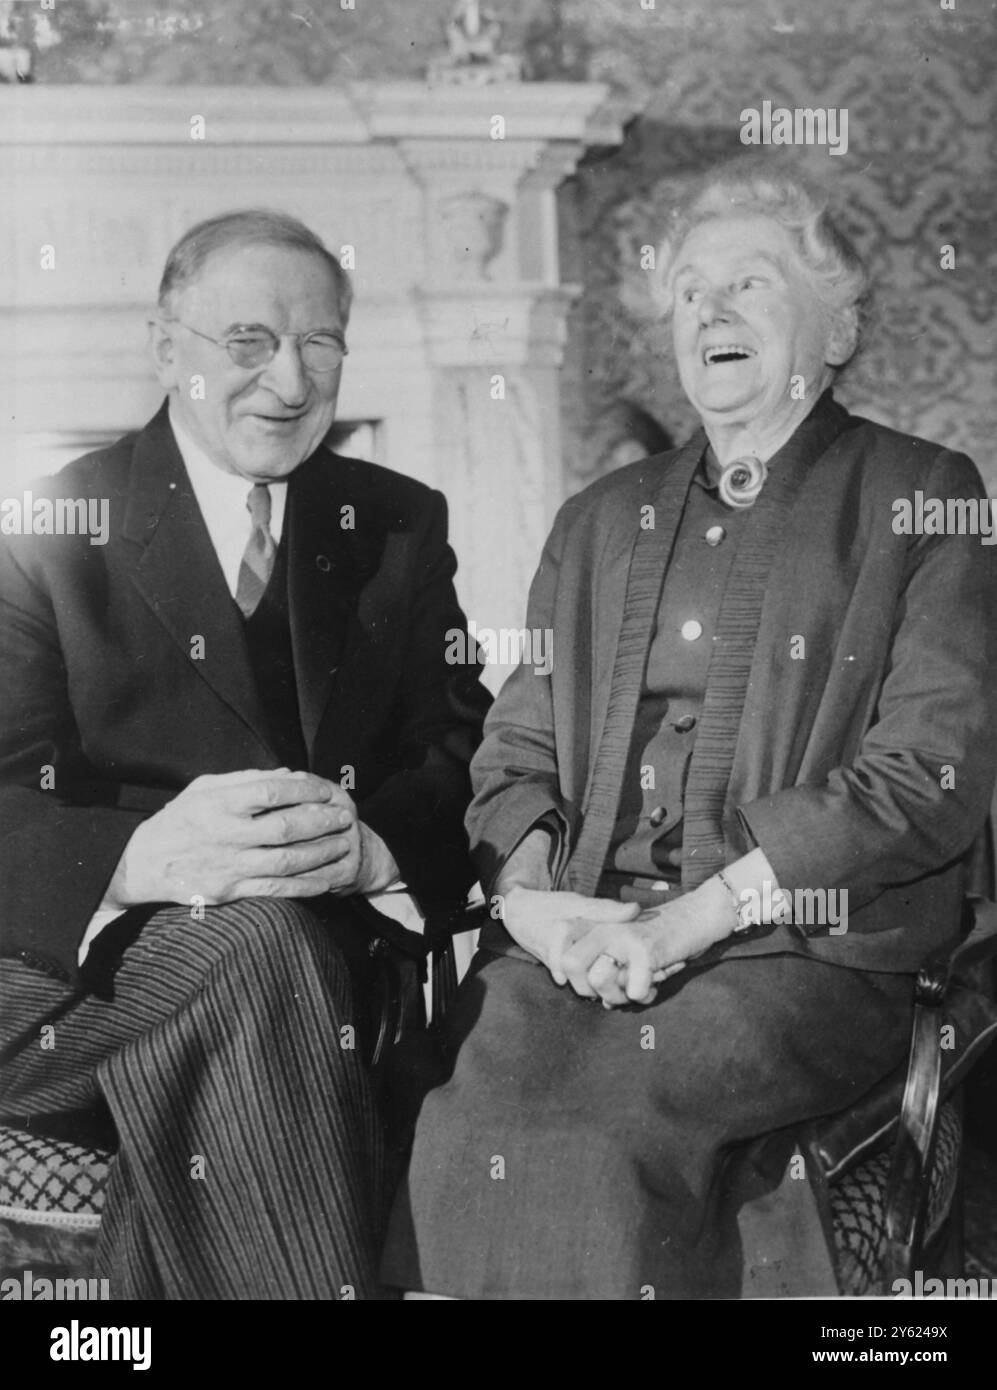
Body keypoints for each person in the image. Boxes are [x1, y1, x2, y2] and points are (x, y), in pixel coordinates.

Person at [382, 161, 997, 1299]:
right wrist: (536, 907)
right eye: (688, 292)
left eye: (749, 284)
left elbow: (928, 776)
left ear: (838, 325)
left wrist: (694, 922)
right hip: (581, 945)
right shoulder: (597, 520)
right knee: (455, 1132)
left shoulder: (925, 497)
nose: (707, 311)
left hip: (796, 951)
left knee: (598, 1151)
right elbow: (513, 755)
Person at [0, 209, 490, 1299]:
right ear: (165, 345)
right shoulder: (45, 525)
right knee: (256, 949)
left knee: (271, 963)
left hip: (319, 994)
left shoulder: (397, 521)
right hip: (68, 985)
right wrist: (144, 859)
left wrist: (369, 847)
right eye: (249, 341)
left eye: (321, 344)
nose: (289, 380)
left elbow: (463, 746)